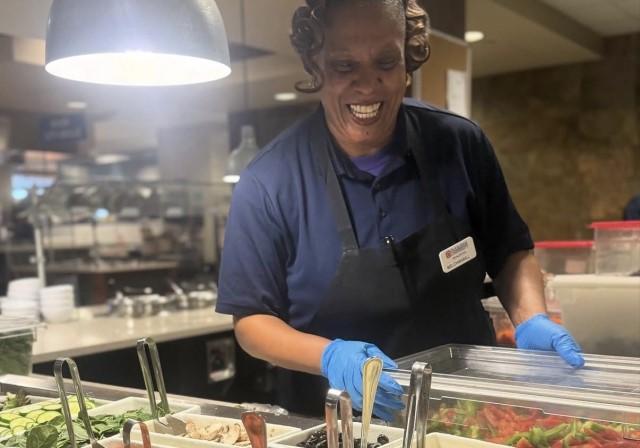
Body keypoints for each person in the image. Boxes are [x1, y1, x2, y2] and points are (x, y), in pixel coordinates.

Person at [216, 0, 584, 418]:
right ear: (314, 63)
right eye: (343, 65)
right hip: (337, 424)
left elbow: (510, 252)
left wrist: (531, 318)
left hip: (469, 413)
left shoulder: (460, 144)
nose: (367, 84)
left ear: (407, 61)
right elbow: (251, 324)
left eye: (386, 62)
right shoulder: (268, 181)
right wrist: (330, 356)